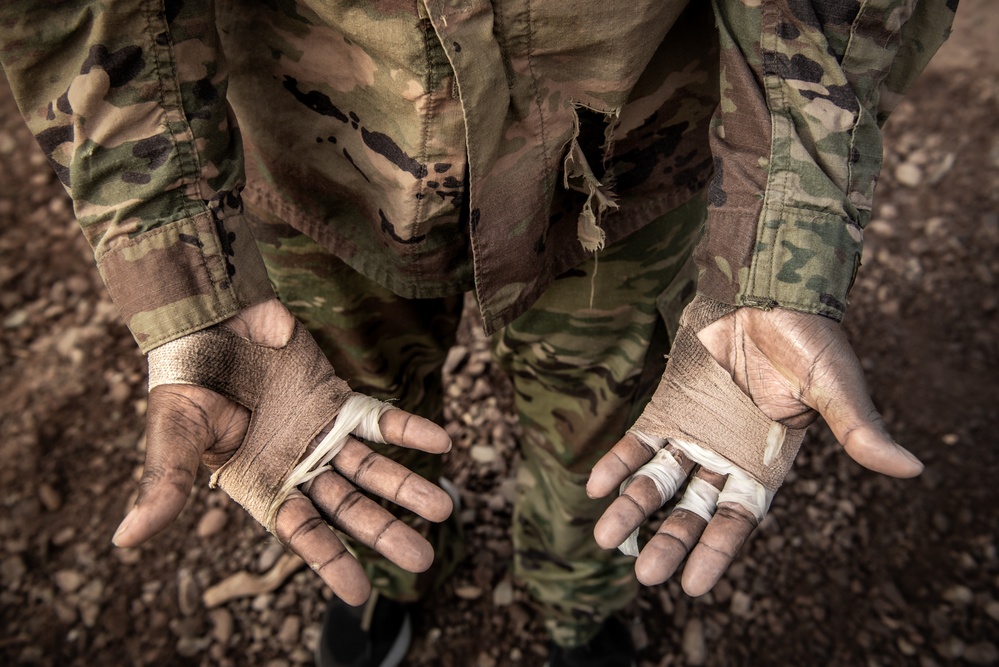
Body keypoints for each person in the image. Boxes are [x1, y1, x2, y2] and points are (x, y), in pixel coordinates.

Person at [0, 1, 957, 665]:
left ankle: (581, 602)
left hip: (618, 160)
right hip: (318, 161)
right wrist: (187, 285)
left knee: (613, 430)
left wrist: (779, 256)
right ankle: (383, 578)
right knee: (330, 418)